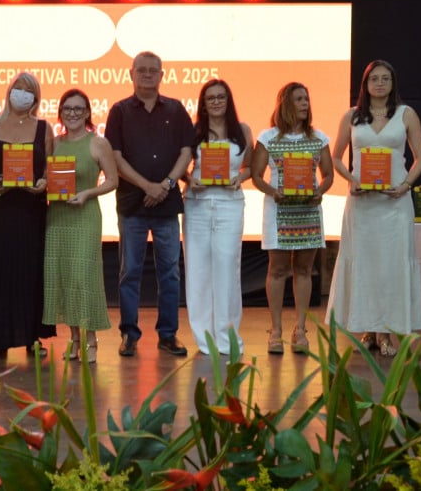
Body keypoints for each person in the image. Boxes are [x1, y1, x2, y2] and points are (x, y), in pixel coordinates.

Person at [326, 60, 421, 357]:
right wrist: (351, 179)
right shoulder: (352, 116)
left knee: (391, 266)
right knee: (365, 266)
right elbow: (336, 157)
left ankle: (385, 332)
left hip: (395, 202)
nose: (380, 84)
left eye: (385, 79)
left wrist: (406, 184)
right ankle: (368, 329)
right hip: (363, 204)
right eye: (374, 79)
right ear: (365, 84)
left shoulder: (406, 114)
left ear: (393, 83)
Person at [105, 51, 194, 357]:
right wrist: (148, 186)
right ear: (131, 74)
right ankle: (129, 334)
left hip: (167, 205)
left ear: (161, 75)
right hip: (133, 204)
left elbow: (186, 151)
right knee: (129, 271)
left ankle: (168, 334)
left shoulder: (176, 109)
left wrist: (166, 185)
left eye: (152, 70)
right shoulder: (119, 111)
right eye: (141, 70)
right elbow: (115, 158)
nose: (146, 74)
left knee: (170, 272)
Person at [0, 72, 56, 359]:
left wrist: (44, 183)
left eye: (28, 90)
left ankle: (33, 337)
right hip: (0, 208)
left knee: (31, 271)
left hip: (31, 210)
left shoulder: (44, 128)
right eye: (17, 88)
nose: (22, 94)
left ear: (36, 97)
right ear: (9, 92)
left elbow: (50, 168)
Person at [250, 82, 333, 355]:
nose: (305, 103)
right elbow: (256, 175)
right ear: (285, 103)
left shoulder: (319, 137)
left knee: (304, 270)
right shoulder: (268, 137)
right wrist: (273, 191)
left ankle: (300, 330)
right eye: (299, 99)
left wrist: (320, 191)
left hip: (308, 212)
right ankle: (275, 331)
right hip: (279, 212)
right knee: (277, 270)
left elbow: (328, 175)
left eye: (306, 99)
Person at [42, 89, 118, 363]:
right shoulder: (53, 143)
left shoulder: (98, 143)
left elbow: (113, 180)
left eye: (78, 109)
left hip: (85, 216)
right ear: (60, 113)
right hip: (57, 217)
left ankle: (92, 340)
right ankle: (74, 339)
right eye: (67, 108)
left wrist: (88, 193)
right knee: (63, 278)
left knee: (83, 278)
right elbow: (46, 176)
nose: (72, 113)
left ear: (87, 113)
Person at [182, 79, 253, 356]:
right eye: (210, 98)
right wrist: (189, 179)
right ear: (203, 103)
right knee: (198, 271)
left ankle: (227, 337)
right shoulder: (193, 131)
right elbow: (181, 167)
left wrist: (240, 178)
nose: (216, 102)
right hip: (197, 203)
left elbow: (250, 167)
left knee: (227, 268)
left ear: (228, 99)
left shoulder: (242, 130)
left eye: (220, 97)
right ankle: (205, 339)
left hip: (230, 204)